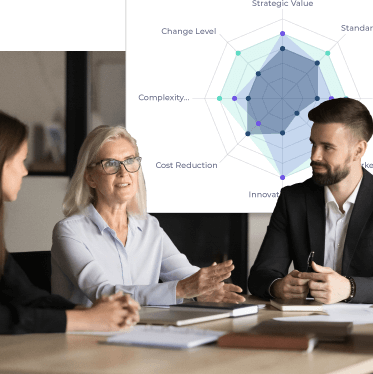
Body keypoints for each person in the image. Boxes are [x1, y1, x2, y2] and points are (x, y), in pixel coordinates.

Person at [0, 109, 140, 337]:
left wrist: (94, 312)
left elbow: (27, 296)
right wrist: (84, 319)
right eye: (21, 160)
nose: (25, 171)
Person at [248, 98, 373, 304]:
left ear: (358, 150)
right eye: (313, 144)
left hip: (370, 328)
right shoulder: (292, 199)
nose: (315, 156)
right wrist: (278, 286)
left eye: (327, 147)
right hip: (305, 323)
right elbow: (260, 275)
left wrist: (349, 288)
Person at [51, 125, 245, 307]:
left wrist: (208, 287)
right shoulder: (69, 231)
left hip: (145, 330)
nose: (123, 172)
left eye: (129, 161)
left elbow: (185, 275)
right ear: (90, 177)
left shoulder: (149, 226)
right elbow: (104, 293)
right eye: (110, 164)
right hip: (87, 338)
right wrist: (183, 289)